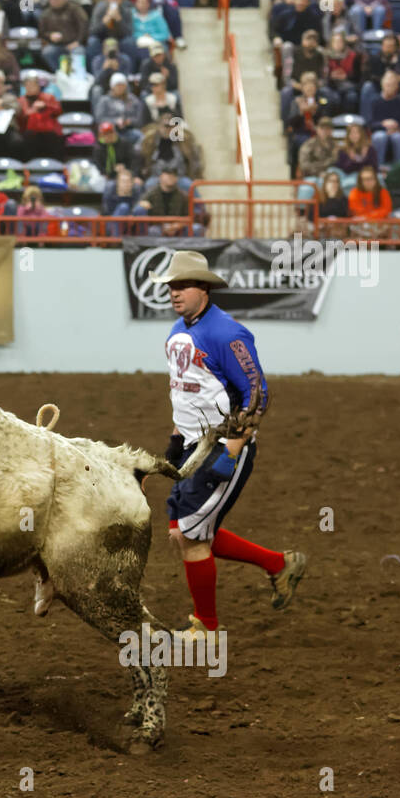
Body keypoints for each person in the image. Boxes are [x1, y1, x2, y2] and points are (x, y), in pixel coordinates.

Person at [149, 250, 305, 639]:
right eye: (170, 286)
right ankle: (279, 564)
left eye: (182, 285)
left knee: (188, 534)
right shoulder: (177, 332)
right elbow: (186, 392)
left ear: (203, 287)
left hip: (221, 447)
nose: (174, 292)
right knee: (188, 529)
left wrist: (231, 451)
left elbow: (256, 393)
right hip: (191, 446)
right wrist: (174, 439)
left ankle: (206, 626)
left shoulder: (226, 332)